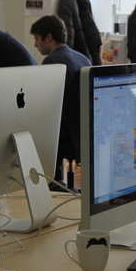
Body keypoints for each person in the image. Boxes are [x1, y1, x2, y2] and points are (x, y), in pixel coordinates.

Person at [30, 15, 91, 183]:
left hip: (65, 139)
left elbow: (44, 104)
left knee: (62, 186)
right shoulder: (82, 58)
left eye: (37, 39)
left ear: (48, 38)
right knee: (76, 184)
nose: (35, 44)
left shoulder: (52, 62)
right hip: (83, 136)